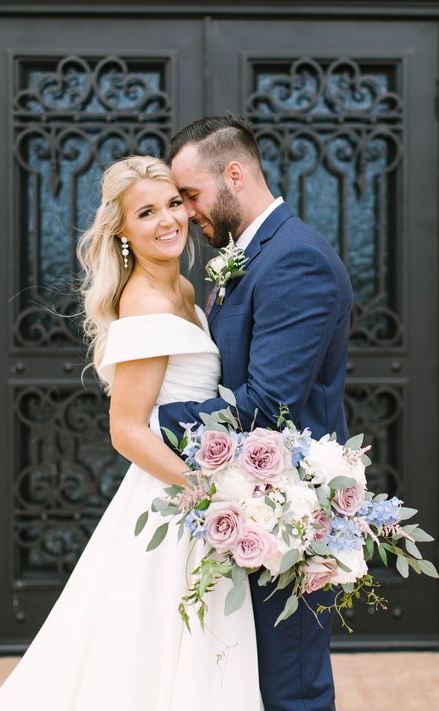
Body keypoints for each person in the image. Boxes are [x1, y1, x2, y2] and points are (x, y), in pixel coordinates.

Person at [0, 156, 263, 710]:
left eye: (173, 204)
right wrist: (212, 498)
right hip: (176, 499)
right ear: (123, 232)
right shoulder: (147, 303)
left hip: (191, 492)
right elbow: (128, 430)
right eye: (146, 212)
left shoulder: (184, 288)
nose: (168, 221)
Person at [153, 115, 353, 711]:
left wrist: (151, 417)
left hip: (286, 515)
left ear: (234, 175)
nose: (185, 213)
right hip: (250, 505)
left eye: (189, 195)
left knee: (291, 687)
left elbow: (266, 404)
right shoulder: (251, 255)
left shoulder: (295, 260)